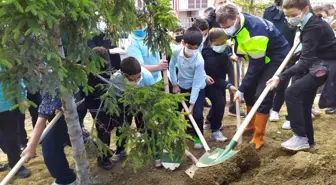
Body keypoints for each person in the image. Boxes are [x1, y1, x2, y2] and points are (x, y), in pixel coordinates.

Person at [215, 3, 290, 150]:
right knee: (249, 91)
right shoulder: (240, 24)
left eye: (227, 26)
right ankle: (250, 124)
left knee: (262, 92)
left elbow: (257, 65)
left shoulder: (256, 31)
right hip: (260, 58)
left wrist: (241, 88)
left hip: (276, 59)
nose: (225, 30)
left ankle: (258, 136)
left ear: (236, 18)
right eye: (222, 27)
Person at [267, 0, 336, 151]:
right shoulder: (305, 23)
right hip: (317, 63)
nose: (290, 18)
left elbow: (305, 61)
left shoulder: (313, 26)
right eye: (287, 16)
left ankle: (300, 136)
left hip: (326, 65)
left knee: (292, 92)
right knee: (303, 99)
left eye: (293, 15)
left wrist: (281, 76)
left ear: (305, 9)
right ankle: (309, 142)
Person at [109, 57, 159, 166]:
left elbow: (151, 97)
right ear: (124, 75)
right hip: (125, 104)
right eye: (133, 79)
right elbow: (116, 97)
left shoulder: (147, 77)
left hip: (142, 104)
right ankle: (121, 149)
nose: (137, 81)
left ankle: (152, 147)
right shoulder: (116, 79)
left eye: (138, 77)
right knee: (122, 126)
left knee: (145, 124)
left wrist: (144, 107)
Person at [169, 26, 210, 149]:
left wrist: (192, 104)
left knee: (196, 114)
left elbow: (197, 84)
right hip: (181, 85)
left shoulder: (199, 61)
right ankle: (177, 135)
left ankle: (198, 137)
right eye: (189, 47)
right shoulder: (176, 51)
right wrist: (175, 84)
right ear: (183, 43)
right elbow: (171, 67)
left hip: (197, 87)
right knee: (175, 111)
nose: (192, 50)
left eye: (195, 48)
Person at [206, 0, 246, 118]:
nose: (222, 4)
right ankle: (212, 118)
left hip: (229, 54)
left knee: (234, 80)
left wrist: (231, 54)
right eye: (220, 2)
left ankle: (234, 108)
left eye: (224, 1)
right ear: (214, 4)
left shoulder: (233, 16)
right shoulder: (210, 19)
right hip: (214, 58)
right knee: (219, 89)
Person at [263, 0, 296, 122]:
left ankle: (275, 110)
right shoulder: (269, 12)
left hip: (288, 53)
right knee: (269, 81)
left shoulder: (295, 11)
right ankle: (268, 106)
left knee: (282, 81)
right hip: (271, 53)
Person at [202, 28, 238, 141]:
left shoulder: (224, 47)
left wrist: (230, 56)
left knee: (220, 101)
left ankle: (209, 120)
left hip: (220, 80)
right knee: (219, 103)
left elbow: (227, 50)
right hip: (209, 82)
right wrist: (228, 85)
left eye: (224, 42)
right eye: (219, 43)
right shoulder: (207, 55)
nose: (222, 45)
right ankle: (215, 130)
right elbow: (215, 78)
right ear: (211, 42)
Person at [0, 68, 31, 178]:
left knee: (11, 138)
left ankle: (16, 165)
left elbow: (17, 79)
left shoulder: (6, 58)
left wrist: (22, 98)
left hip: (7, 105)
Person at [127, 19, 168, 84]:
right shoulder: (132, 43)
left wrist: (158, 63)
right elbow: (139, 68)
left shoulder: (150, 35)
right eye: (138, 25)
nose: (141, 27)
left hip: (158, 78)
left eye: (143, 24)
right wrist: (158, 67)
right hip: (144, 83)